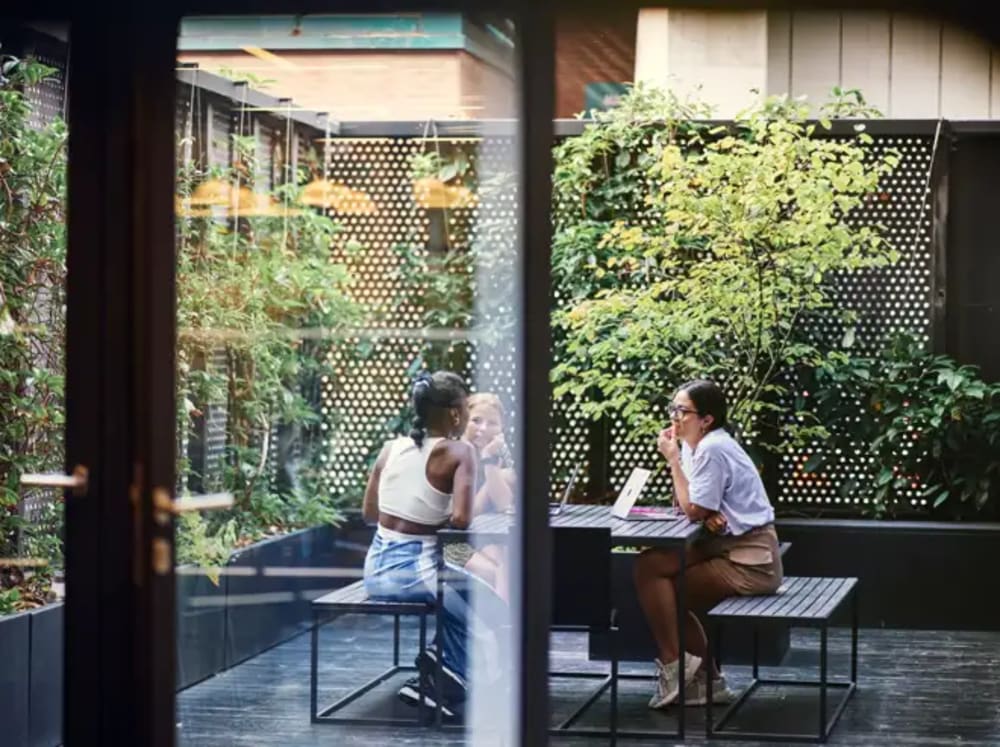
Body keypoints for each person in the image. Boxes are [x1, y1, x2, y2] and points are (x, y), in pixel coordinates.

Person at [633, 379, 784, 709]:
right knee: (649, 565)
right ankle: (700, 678)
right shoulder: (695, 445)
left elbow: (691, 508)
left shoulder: (713, 448)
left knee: (669, 590)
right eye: (672, 408)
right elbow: (688, 505)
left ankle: (683, 670)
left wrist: (673, 463)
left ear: (707, 419)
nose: (674, 417)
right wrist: (704, 508)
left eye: (683, 411)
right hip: (724, 544)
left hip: (752, 561)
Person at [361, 370, 476, 718]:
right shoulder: (460, 451)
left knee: (470, 590)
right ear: (456, 413)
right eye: (467, 408)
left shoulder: (389, 449)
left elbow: (369, 513)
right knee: (490, 603)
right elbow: (461, 520)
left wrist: (416, 513)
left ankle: (434, 668)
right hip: (413, 572)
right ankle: (443, 679)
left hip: (375, 568)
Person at [443, 392, 515, 601]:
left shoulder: (499, 452)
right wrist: (492, 468)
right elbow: (464, 517)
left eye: (492, 423)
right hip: (451, 543)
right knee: (496, 573)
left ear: (501, 428)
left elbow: (504, 504)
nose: (483, 429)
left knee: (509, 563)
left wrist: (490, 464)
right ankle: (503, 627)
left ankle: (503, 627)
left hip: (486, 538)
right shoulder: (453, 454)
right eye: (476, 421)